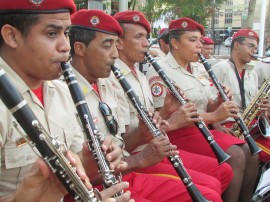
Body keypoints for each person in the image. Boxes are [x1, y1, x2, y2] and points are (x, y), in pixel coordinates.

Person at [68, 9, 231, 202]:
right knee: (210, 190)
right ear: (79, 49)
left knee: (216, 182)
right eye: (139, 37)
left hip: (130, 164)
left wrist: (165, 112)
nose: (114, 53)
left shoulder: (110, 80)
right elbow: (81, 169)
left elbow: (124, 138)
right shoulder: (83, 85)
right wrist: (163, 130)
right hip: (112, 176)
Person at [0, 1, 132, 201]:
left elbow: (73, 164)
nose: (65, 46)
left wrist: (88, 162)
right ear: (12, 36)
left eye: (66, 33)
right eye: (52, 34)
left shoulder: (63, 91)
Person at [146, 18, 259, 202]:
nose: (199, 45)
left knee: (251, 153)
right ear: (174, 43)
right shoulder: (160, 70)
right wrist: (215, 115)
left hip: (202, 129)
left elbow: (206, 105)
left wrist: (219, 102)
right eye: (192, 40)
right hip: (177, 133)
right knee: (237, 155)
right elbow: (165, 118)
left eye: (200, 39)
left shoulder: (198, 67)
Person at [211, 29, 270, 163]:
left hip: (249, 125)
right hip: (229, 126)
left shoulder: (252, 74)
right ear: (236, 45)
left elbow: (254, 103)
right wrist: (215, 124)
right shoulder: (221, 68)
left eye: (255, 48)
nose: (253, 51)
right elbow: (208, 102)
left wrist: (262, 110)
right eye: (250, 46)